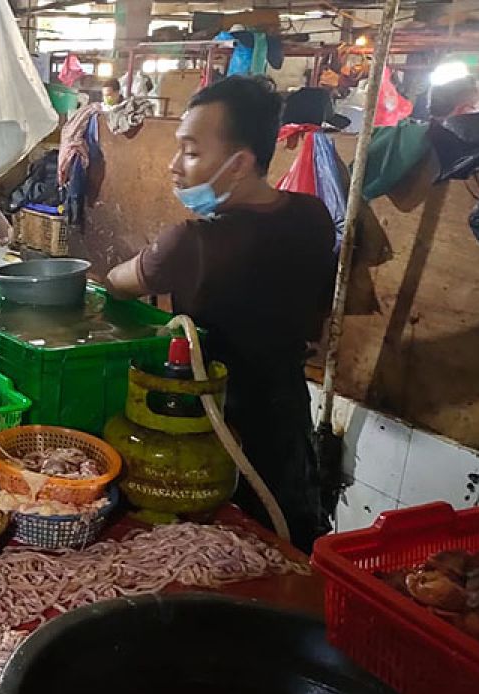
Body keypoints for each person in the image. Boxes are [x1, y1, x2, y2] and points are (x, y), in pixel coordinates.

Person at [103, 76, 336, 552]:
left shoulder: (193, 244)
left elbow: (116, 284)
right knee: (288, 543)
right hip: (287, 415)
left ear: (240, 163)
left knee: (214, 552)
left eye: (190, 152)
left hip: (207, 428)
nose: (174, 166)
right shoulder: (312, 216)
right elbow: (319, 324)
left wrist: (158, 254)